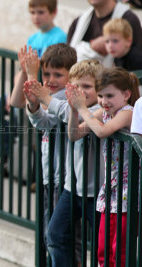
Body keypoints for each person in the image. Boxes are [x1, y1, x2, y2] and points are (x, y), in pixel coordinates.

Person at [25, 59, 104, 266]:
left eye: (87, 87)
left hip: (98, 194)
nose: (80, 92)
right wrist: (35, 102)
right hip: (72, 189)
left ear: (99, 89)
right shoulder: (73, 108)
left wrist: (46, 99)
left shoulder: (102, 108)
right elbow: (72, 132)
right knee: (55, 235)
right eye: (76, 86)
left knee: (102, 247)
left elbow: (77, 117)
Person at [66, 67, 140, 266]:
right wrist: (74, 110)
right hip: (110, 190)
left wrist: (83, 109)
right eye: (100, 95)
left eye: (109, 95)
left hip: (129, 192)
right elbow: (74, 134)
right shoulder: (104, 112)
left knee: (120, 251)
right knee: (102, 249)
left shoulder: (127, 112)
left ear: (126, 94)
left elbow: (102, 131)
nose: (103, 101)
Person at [0, 0, 66, 174]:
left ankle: (33, 169)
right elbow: (22, 68)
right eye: (33, 12)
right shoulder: (33, 38)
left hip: (44, 91)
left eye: (41, 12)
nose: (36, 17)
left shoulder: (60, 37)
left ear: (53, 12)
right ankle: (6, 155)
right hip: (26, 87)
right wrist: (13, 92)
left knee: (27, 119)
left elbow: (45, 70)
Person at [22, 43, 77, 246]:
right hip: (50, 175)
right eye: (46, 74)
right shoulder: (50, 94)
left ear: (70, 76)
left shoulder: (65, 96)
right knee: (52, 236)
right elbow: (39, 119)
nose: (51, 80)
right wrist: (34, 102)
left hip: (61, 178)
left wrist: (31, 76)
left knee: (58, 237)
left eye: (58, 75)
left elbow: (45, 120)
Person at [67, 0, 142, 67]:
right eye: (107, 41)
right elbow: (67, 60)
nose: (110, 45)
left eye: (115, 40)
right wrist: (91, 47)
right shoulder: (80, 21)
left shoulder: (129, 19)